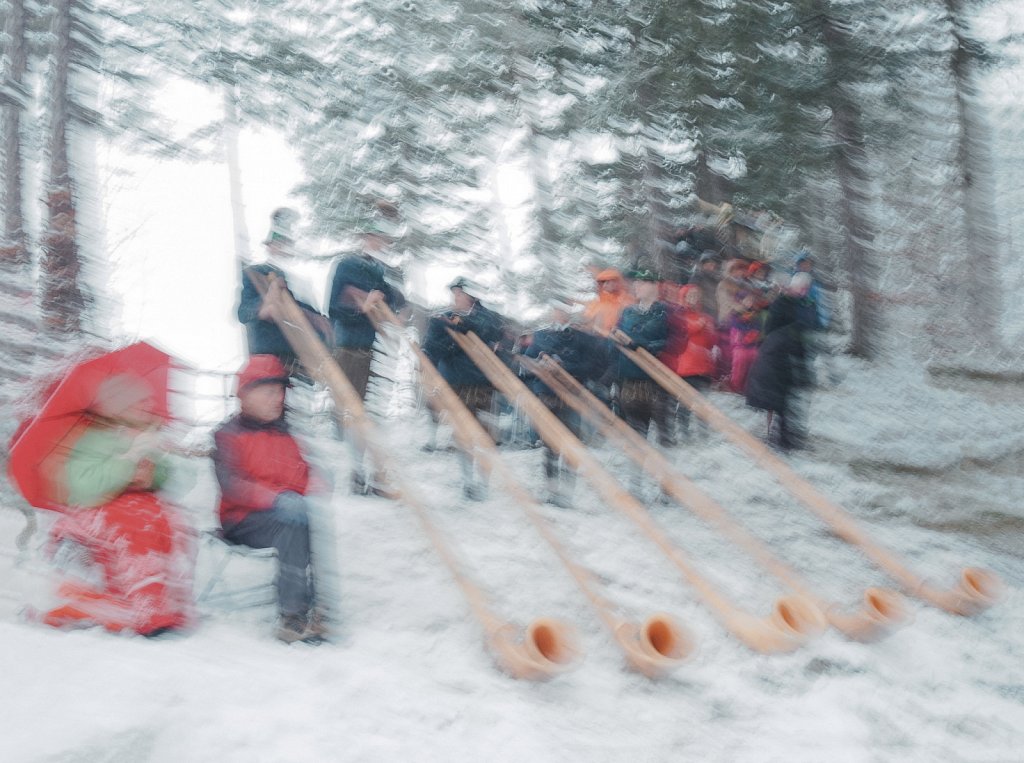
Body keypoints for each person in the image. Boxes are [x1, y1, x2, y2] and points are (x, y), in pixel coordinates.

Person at [44, 373, 195, 636]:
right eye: (140, 402)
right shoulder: (90, 440)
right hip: (96, 511)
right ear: (118, 407)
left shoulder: (147, 437)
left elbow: (165, 475)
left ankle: (163, 604)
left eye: (148, 401)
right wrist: (127, 466)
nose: (148, 406)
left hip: (141, 505)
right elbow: (85, 486)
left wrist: (152, 473)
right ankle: (143, 609)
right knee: (136, 525)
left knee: (172, 522)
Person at [212, 355, 329, 643]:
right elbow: (232, 486)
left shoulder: (284, 434)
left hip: (282, 512)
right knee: (292, 523)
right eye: (268, 392)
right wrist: (275, 498)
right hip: (240, 520)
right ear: (246, 395)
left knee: (303, 520)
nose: (276, 398)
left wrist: (313, 481)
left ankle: (311, 605)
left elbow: (299, 476)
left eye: (279, 391)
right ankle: (293, 615)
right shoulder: (228, 435)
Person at [326, 221, 405, 495]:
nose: (381, 244)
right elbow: (334, 307)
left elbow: (396, 301)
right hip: (350, 347)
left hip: (373, 349)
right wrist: (363, 307)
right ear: (366, 238)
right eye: (376, 238)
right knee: (355, 412)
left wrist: (386, 303)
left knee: (372, 414)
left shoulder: (379, 271)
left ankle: (374, 473)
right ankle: (358, 472)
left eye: (384, 240)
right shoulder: (346, 265)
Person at [421, 277, 505, 500]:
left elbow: (493, 337)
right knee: (462, 435)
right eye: (455, 293)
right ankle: (468, 482)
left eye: (460, 293)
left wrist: (463, 328)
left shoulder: (488, 318)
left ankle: (484, 484)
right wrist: (451, 341)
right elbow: (431, 348)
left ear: (472, 295)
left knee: (485, 435)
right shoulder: (442, 319)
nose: (456, 297)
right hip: (456, 383)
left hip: (483, 384)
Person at [522, 301, 608, 507]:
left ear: (568, 313)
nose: (558, 314)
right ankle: (551, 490)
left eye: (562, 310)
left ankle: (567, 495)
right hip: (547, 394)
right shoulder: (541, 335)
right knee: (550, 445)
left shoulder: (582, 338)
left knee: (570, 445)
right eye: (555, 310)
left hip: (572, 396)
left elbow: (594, 366)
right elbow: (527, 361)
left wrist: (565, 366)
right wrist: (539, 365)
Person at [237, 208, 331, 380]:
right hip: (267, 360)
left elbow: (317, 321)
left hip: (300, 363)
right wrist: (268, 302)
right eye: (278, 243)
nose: (282, 248)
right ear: (270, 246)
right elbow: (243, 312)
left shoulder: (298, 282)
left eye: (286, 243)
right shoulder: (255, 274)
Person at [744, 274, 815, 451]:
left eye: (806, 289)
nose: (804, 292)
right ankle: (778, 440)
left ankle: (786, 440)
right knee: (777, 403)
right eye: (802, 288)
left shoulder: (800, 305)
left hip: (785, 358)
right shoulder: (782, 304)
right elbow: (770, 329)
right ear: (795, 287)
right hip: (776, 357)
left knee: (783, 403)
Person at [611, 269, 669, 443]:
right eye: (635, 283)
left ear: (654, 285)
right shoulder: (627, 312)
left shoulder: (664, 311)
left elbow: (671, 342)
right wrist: (614, 339)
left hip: (657, 381)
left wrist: (642, 344)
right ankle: (639, 468)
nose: (636, 286)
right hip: (630, 381)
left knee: (665, 435)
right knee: (636, 434)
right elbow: (616, 338)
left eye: (641, 282)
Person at [659, 284, 717, 440]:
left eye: (696, 295)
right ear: (683, 297)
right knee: (686, 403)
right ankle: (685, 433)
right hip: (686, 366)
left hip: (703, 365)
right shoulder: (679, 316)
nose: (693, 298)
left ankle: (703, 434)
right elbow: (682, 332)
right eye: (690, 295)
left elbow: (711, 342)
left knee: (703, 402)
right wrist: (698, 326)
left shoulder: (706, 317)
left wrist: (708, 330)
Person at [581, 268, 634, 335]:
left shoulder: (627, 301)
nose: (604, 286)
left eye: (607, 282)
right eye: (602, 283)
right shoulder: (597, 303)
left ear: (616, 282)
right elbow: (587, 322)